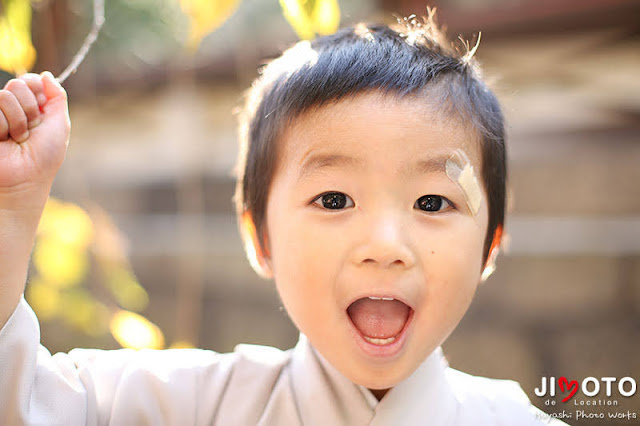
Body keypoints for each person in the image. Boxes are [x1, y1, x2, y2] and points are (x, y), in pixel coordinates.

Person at [0, 12, 567, 426]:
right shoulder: (182, 404)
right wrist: (9, 211)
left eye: (432, 203)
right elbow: (21, 401)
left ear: (491, 243)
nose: (386, 245)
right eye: (334, 200)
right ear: (259, 237)